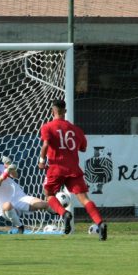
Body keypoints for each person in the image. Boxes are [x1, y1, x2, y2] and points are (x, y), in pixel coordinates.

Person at [39, 99, 107, 240]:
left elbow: (45, 145)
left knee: (49, 194)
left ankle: (64, 214)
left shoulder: (47, 127)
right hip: (73, 169)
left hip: (56, 168)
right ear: (65, 111)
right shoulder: (76, 130)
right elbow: (83, 148)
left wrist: (41, 161)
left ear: (53, 111)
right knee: (84, 199)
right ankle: (100, 223)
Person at [0, 149, 50, 234]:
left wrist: (9, 166)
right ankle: (20, 226)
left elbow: (15, 175)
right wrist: (5, 174)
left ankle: (62, 212)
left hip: (20, 198)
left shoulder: (0, 167)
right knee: (7, 205)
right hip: (5, 206)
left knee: (43, 204)